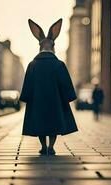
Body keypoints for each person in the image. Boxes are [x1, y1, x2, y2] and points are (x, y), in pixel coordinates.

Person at [20, 19, 78, 156]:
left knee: (40, 125)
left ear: (40, 46)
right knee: (53, 124)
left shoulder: (32, 65)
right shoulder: (59, 64)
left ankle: (43, 146)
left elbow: (27, 85)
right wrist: (69, 97)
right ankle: (51, 146)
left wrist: (26, 97)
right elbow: (66, 85)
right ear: (53, 46)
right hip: (55, 102)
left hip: (37, 102)